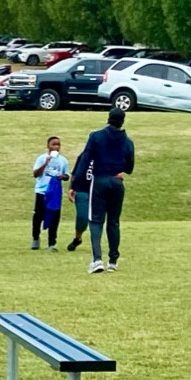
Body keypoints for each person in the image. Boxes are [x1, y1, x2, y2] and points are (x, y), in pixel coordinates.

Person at [73, 108, 135, 272]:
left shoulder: (96, 137)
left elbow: (85, 160)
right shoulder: (128, 142)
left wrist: (77, 184)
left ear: (109, 118)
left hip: (99, 180)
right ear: (122, 121)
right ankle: (113, 261)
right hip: (117, 181)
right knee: (114, 221)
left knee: (96, 220)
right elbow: (129, 168)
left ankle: (97, 259)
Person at [30, 137, 69, 250]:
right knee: (38, 216)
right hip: (42, 191)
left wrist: (63, 177)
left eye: (58, 145)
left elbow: (67, 175)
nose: (56, 147)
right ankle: (35, 238)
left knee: (54, 217)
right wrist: (46, 163)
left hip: (55, 193)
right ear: (48, 146)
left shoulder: (63, 160)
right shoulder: (41, 158)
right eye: (53, 144)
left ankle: (52, 243)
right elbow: (36, 174)